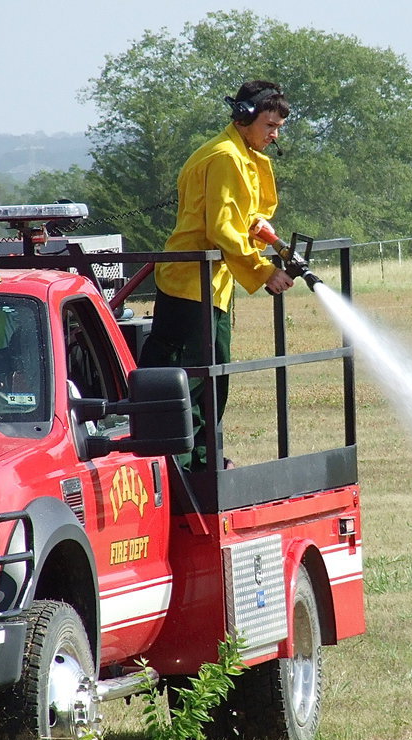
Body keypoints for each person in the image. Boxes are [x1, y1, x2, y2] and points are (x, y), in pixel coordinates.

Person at [139, 80, 295, 471]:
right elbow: (222, 229)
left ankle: (203, 460)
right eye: (270, 125)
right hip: (193, 285)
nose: (274, 135)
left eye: (278, 128)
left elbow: (242, 218)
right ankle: (185, 467)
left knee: (212, 376)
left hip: (210, 284)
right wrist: (263, 271)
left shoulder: (240, 155)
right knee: (194, 379)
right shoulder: (225, 157)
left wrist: (262, 231)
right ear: (244, 118)